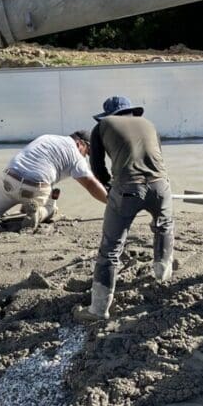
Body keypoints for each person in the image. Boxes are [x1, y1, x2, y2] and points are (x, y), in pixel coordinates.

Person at [74, 96, 174, 323]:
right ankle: (162, 275)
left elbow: (98, 168)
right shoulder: (149, 124)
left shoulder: (101, 127)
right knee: (164, 227)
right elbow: (158, 159)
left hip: (127, 189)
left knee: (110, 248)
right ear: (130, 112)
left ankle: (98, 310)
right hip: (161, 187)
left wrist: (111, 189)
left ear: (109, 115)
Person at [0, 131, 108, 239]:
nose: (86, 156)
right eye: (87, 151)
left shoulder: (47, 137)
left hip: (10, 178)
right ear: (80, 143)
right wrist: (111, 201)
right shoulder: (76, 156)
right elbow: (91, 185)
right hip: (36, 187)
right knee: (52, 207)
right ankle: (38, 213)